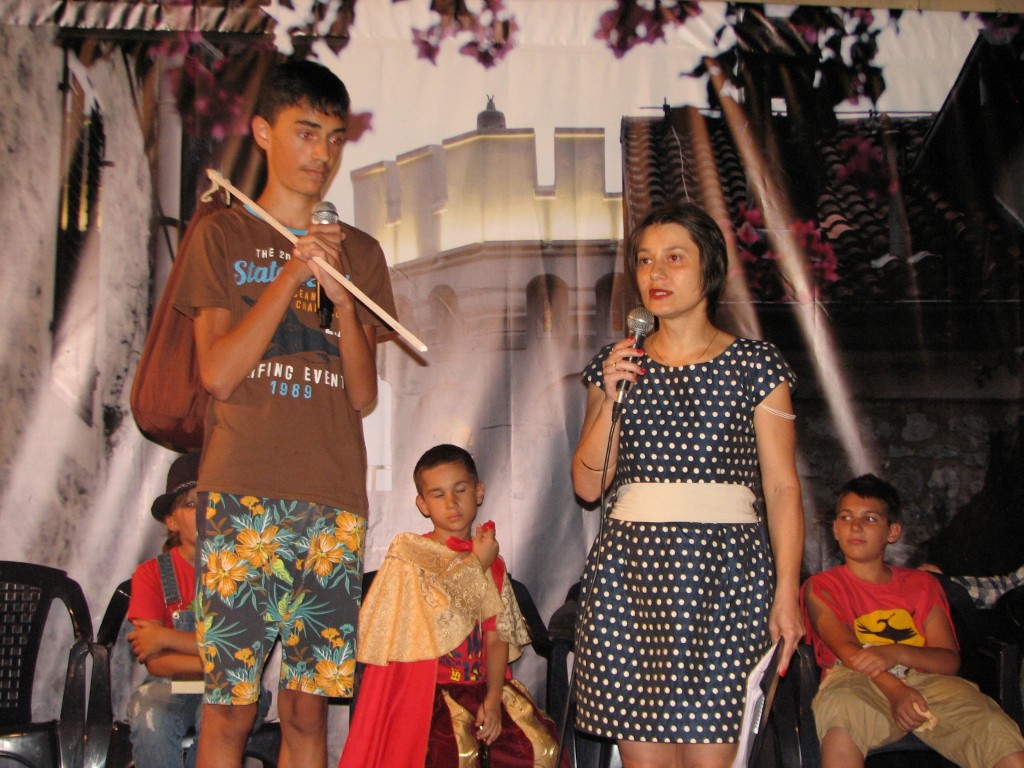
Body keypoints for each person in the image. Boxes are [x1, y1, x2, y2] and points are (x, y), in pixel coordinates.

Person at [172, 59, 397, 768]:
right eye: (305, 132)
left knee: (307, 708)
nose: (322, 153)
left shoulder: (361, 251)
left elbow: (362, 395)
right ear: (264, 132)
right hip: (243, 491)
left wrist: (344, 301)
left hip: (332, 498)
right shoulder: (222, 235)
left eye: (333, 137)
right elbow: (217, 371)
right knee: (231, 707)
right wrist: (293, 272)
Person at [571, 202, 804, 768]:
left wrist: (787, 592)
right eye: (644, 260)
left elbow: (782, 489)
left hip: (726, 576)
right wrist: (612, 398)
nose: (655, 273)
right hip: (630, 577)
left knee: (712, 755)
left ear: (710, 269)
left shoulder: (755, 365)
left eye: (674, 258)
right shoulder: (615, 364)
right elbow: (587, 486)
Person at [338, 444, 566, 768]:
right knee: (456, 751)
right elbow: (432, 622)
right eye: (438, 494)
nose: (451, 503)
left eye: (460, 490)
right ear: (422, 504)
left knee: (539, 746)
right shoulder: (410, 555)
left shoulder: (490, 560)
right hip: (426, 693)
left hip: (483, 688)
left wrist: (493, 699)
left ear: (478, 491)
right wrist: (477, 563)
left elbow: (497, 636)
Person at [802, 474, 1024, 768]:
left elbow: (948, 661)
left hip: (928, 683)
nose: (855, 526)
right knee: (842, 715)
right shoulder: (821, 587)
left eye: (870, 519)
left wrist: (896, 652)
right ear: (835, 528)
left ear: (892, 531)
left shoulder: (922, 584)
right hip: (856, 679)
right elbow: (848, 651)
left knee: (995, 730)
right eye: (846, 517)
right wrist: (896, 690)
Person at [125, 452, 204, 768]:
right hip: (171, 683)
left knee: (222, 713)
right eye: (191, 504)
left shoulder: (241, 572)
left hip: (231, 689)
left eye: (213, 501)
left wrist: (166, 638)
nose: (205, 511)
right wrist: (220, 662)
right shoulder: (151, 574)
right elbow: (156, 662)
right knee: (150, 714)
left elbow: (245, 652)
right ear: (171, 521)